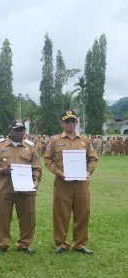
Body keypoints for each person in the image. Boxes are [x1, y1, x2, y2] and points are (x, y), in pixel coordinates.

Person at [44, 109, 98, 254]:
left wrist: (88, 171)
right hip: (63, 183)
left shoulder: (85, 140)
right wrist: (58, 172)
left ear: (76, 122)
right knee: (61, 213)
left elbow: (93, 158)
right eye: (67, 121)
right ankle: (61, 243)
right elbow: (48, 159)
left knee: (83, 212)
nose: (70, 124)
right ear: (61, 123)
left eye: (73, 121)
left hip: (81, 183)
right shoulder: (55, 141)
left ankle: (80, 243)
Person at [0, 120, 41, 253]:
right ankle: (2, 244)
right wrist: (0, 170)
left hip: (26, 188)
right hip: (5, 187)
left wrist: (36, 181)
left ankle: (25, 244)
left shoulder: (30, 147)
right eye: (16, 130)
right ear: (10, 130)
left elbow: (37, 167)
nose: (18, 132)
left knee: (28, 216)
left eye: (21, 130)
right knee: (2, 217)